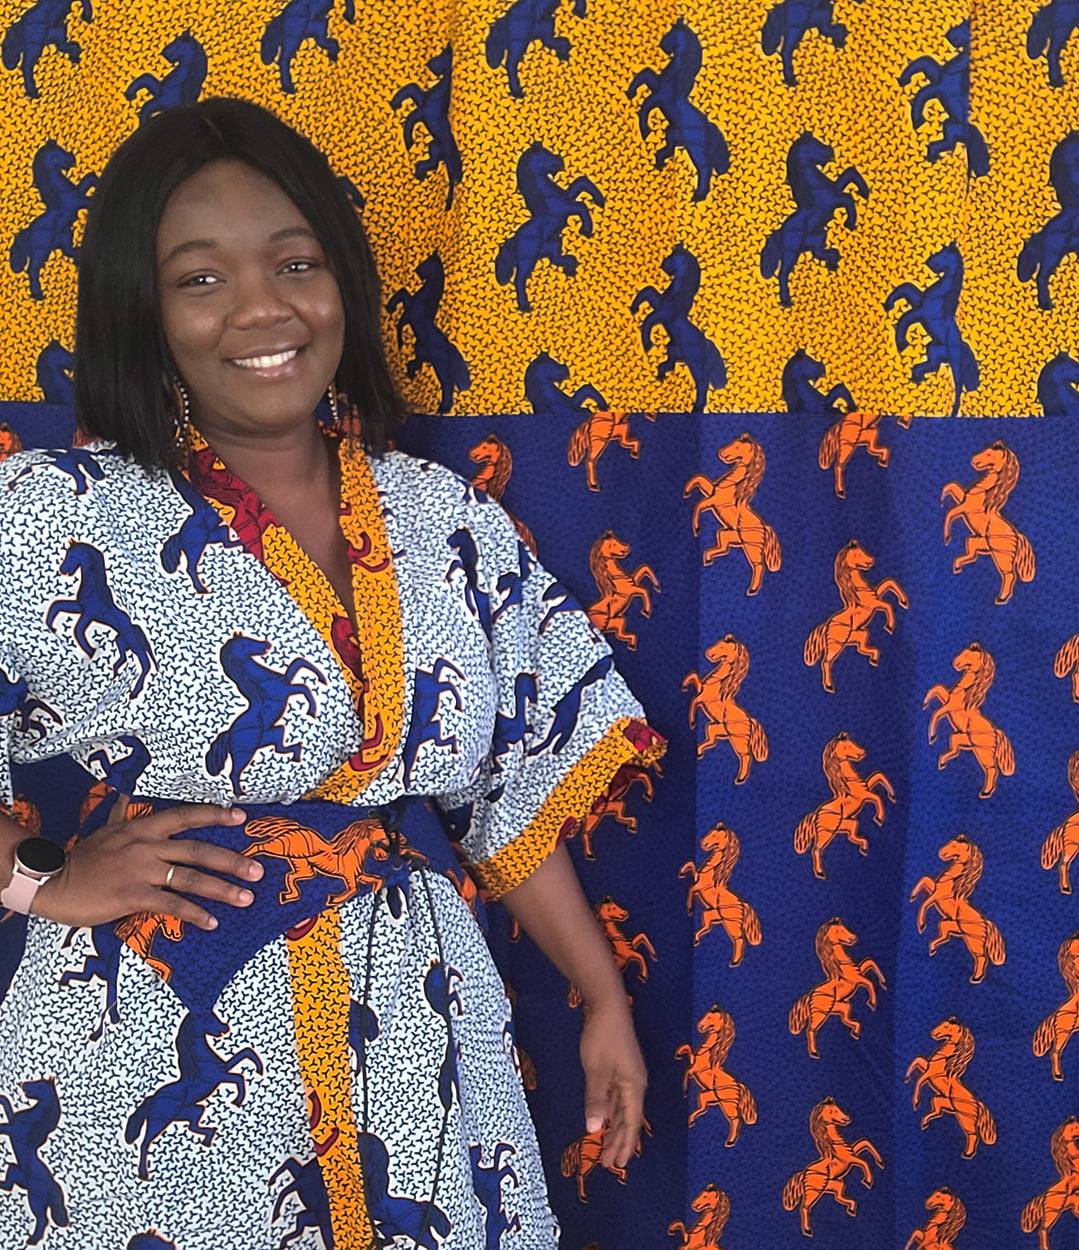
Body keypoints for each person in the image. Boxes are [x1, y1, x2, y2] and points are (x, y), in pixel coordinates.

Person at [0, 97, 664, 1249]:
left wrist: (600, 995)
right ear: (140, 310)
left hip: (415, 1031)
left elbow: (506, 800)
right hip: (145, 1028)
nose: (261, 308)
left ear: (341, 283)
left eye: (294, 263)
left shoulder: (444, 518)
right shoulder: (50, 514)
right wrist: (41, 877)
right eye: (200, 278)